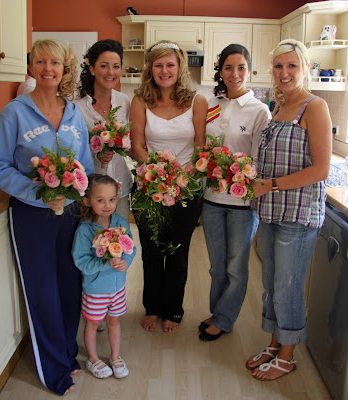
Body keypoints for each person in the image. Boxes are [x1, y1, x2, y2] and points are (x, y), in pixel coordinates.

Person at [0, 39, 95, 395]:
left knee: (70, 287)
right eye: (40, 61)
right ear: (32, 66)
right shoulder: (15, 112)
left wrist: (79, 195)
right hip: (31, 217)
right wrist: (39, 192)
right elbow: (0, 166)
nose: (47, 68)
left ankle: (67, 353)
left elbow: (83, 164)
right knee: (43, 292)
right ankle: (53, 369)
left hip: (69, 216)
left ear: (64, 68)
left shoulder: (72, 113)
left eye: (55, 62)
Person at [246, 39, 331, 380]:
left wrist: (271, 185)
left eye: (292, 66)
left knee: (288, 286)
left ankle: (288, 355)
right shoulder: (279, 108)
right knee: (270, 283)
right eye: (279, 66)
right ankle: (276, 342)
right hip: (270, 211)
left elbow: (321, 169)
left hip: (298, 213)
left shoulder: (315, 106)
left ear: (305, 69)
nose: (284, 73)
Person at [130, 40, 207, 333]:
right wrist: (158, 175)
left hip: (186, 189)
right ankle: (152, 307)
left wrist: (179, 178)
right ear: (151, 69)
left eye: (170, 65)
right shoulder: (140, 100)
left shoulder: (197, 101)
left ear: (180, 67)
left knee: (178, 251)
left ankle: (173, 309)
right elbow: (137, 145)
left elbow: (200, 147)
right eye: (158, 65)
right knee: (151, 251)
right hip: (148, 186)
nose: (164, 70)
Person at [198, 44, 271, 341]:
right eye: (228, 67)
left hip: (242, 201)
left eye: (241, 67)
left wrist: (235, 173)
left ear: (250, 71)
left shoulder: (260, 110)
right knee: (217, 266)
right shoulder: (211, 104)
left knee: (236, 266)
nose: (235, 73)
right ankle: (219, 312)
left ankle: (225, 319)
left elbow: (257, 160)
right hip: (212, 199)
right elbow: (201, 147)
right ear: (220, 70)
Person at [72, 174, 136, 379]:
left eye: (111, 199)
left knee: (114, 322)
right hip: (96, 289)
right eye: (100, 200)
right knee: (92, 323)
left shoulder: (120, 222)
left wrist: (126, 261)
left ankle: (115, 356)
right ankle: (92, 358)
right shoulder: (85, 229)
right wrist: (103, 262)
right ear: (87, 201)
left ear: (117, 198)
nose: (107, 205)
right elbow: (80, 261)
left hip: (117, 287)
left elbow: (130, 247)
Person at [75, 39, 132, 221]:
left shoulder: (125, 102)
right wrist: (96, 151)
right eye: (104, 66)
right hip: (89, 193)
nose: (110, 72)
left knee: (119, 238)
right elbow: (72, 150)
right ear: (92, 68)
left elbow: (132, 143)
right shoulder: (76, 107)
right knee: (89, 242)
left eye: (116, 66)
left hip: (119, 190)